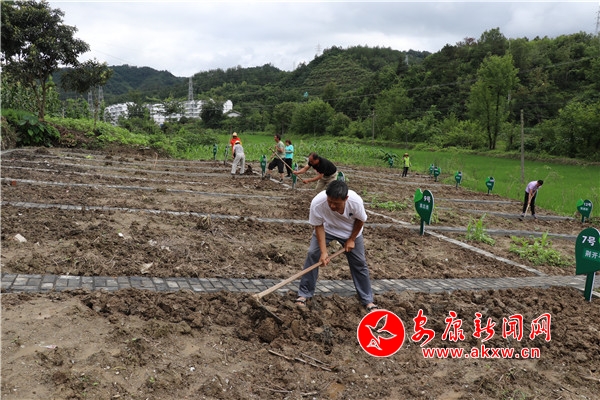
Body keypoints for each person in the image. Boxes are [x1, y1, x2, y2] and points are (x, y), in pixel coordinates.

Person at [295, 180, 377, 313]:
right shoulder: (318, 203)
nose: (332, 206)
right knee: (312, 254)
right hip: (327, 229)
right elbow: (318, 226)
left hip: (351, 231)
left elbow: (360, 220)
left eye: (336, 203)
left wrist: (351, 239)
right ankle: (304, 294)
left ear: (346, 198)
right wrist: (323, 252)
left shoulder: (355, 202)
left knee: (359, 263)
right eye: (330, 202)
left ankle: (367, 300)